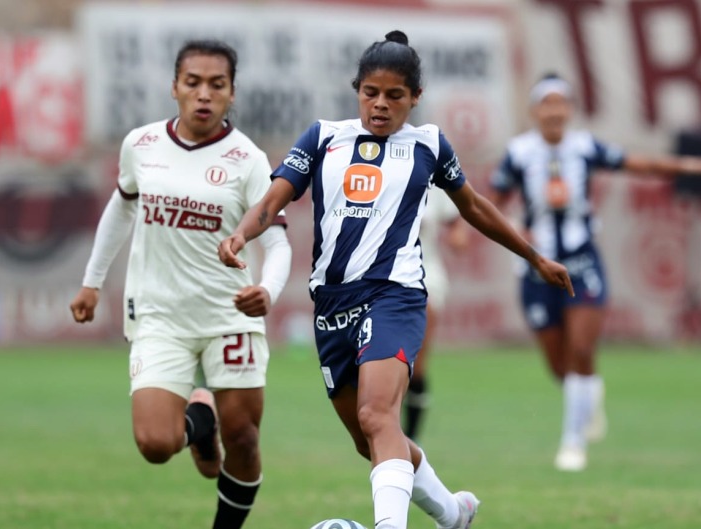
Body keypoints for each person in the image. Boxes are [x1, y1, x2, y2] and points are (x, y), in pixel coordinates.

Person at [218, 31, 572, 529]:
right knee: (372, 440)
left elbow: (472, 207)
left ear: (415, 98)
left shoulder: (428, 145)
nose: (381, 105)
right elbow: (274, 199)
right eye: (371, 93)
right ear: (357, 90)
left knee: (377, 417)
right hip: (332, 305)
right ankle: (453, 513)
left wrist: (534, 256)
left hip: (395, 296)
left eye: (394, 95)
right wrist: (240, 233)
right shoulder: (322, 137)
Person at [69, 40, 292, 529]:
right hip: (159, 315)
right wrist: (92, 282)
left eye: (217, 84)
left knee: (245, 440)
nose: (204, 94)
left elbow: (277, 244)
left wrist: (268, 292)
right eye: (193, 83)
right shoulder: (142, 145)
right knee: (154, 444)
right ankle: (198, 425)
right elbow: (122, 206)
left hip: (229, 315)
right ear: (175, 88)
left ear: (232, 93)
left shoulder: (248, 160)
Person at [486, 72, 701, 472]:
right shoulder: (518, 152)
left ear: (570, 109)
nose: (553, 111)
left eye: (560, 102)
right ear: (533, 111)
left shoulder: (584, 146)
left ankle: (572, 442)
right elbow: (490, 199)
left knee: (582, 349)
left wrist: (691, 166)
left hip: (582, 262)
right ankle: (587, 395)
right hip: (535, 268)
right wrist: (461, 228)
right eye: (545, 103)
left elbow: (640, 163)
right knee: (558, 364)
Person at [404, 190, 470, 441]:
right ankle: (388, 438)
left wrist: (458, 235)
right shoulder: (372, 171)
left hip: (424, 276)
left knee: (414, 363)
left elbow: (456, 219)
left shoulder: (429, 175)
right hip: (375, 280)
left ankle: (410, 441)